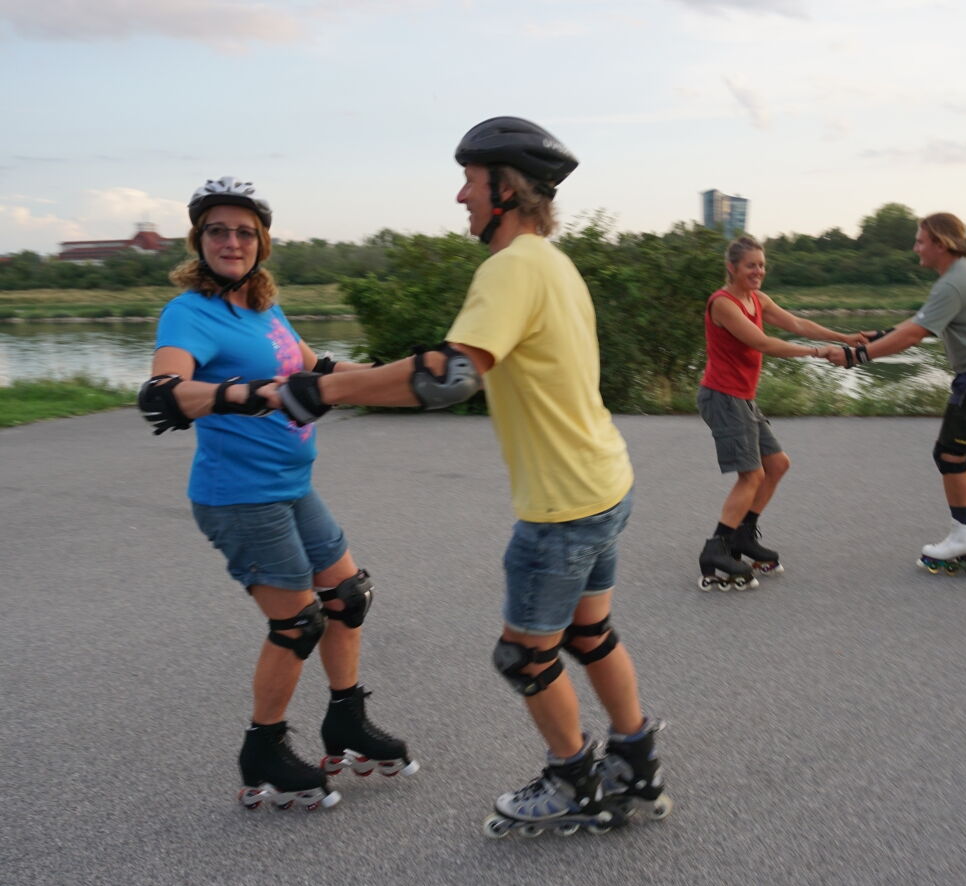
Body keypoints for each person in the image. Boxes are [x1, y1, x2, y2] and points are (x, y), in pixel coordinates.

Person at [268, 118, 671, 836]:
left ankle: (574, 781)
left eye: (470, 181)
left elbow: (449, 376)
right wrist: (340, 378)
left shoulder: (510, 268)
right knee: (589, 634)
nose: (461, 196)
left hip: (562, 505)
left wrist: (324, 390)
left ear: (505, 190)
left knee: (526, 656)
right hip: (604, 482)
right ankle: (635, 761)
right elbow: (459, 367)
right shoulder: (554, 263)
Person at [137, 177, 416, 813]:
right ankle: (263, 750)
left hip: (292, 485)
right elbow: (165, 388)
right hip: (239, 496)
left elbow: (318, 372)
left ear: (261, 243)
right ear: (199, 241)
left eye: (244, 232)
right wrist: (243, 393)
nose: (231, 242)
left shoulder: (265, 307)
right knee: (297, 623)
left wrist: (409, 376)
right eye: (217, 231)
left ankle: (346, 720)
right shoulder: (189, 312)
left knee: (347, 597)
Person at [818, 212, 966, 575]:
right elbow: (921, 322)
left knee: (949, 454)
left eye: (920, 241)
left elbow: (914, 335)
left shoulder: (953, 283)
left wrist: (856, 356)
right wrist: (882, 335)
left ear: (940, 244)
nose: (915, 248)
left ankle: (963, 537)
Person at [696, 234, 868, 591]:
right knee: (751, 475)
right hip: (723, 396)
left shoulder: (757, 299)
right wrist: (818, 352)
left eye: (761, 265)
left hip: (742, 397)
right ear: (732, 268)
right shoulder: (723, 303)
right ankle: (717, 548)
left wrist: (843, 337)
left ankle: (743, 535)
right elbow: (762, 342)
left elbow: (798, 324)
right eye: (750, 266)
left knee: (777, 465)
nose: (758, 271)